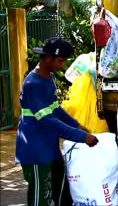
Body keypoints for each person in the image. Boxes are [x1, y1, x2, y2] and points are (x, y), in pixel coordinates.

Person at [15, 37, 99, 205]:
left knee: (61, 190)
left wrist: (76, 125)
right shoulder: (33, 84)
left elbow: (56, 109)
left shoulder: (49, 77)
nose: (62, 65)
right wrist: (82, 137)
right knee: (42, 199)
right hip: (35, 151)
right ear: (47, 57)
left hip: (49, 147)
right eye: (60, 60)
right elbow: (48, 120)